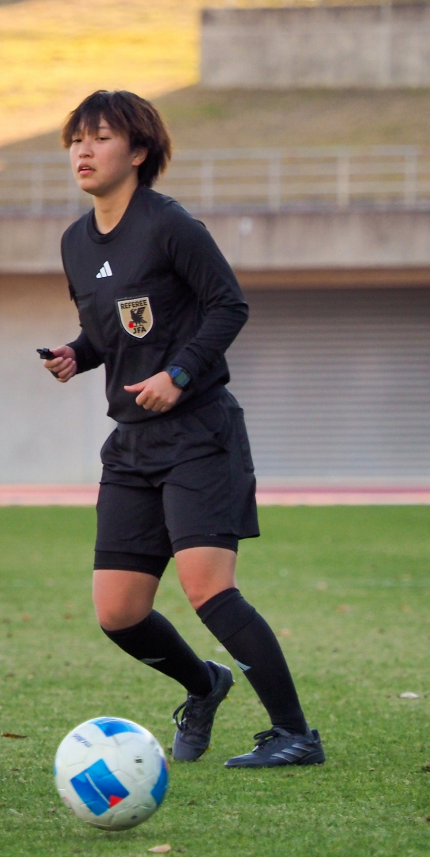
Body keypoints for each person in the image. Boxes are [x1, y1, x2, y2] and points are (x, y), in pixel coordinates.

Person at [40, 90, 324, 768]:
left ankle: (294, 734)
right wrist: (78, 354)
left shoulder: (171, 225)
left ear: (138, 152)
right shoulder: (76, 243)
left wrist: (181, 374)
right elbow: (116, 324)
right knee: (118, 612)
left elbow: (229, 305)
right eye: (76, 138)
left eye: (100, 138)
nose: (83, 150)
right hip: (132, 442)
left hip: (199, 431)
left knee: (208, 588)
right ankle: (205, 685)